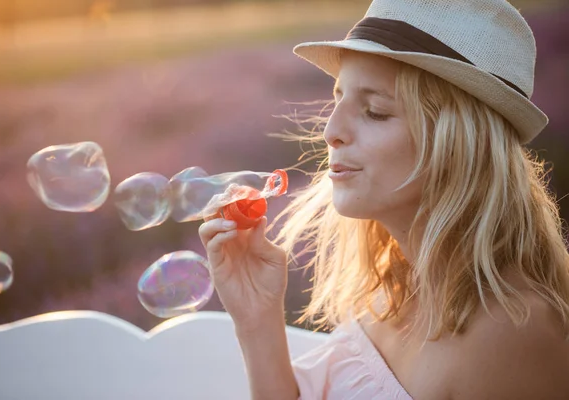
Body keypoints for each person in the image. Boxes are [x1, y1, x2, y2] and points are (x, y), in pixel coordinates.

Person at [198, 0, 569, 398]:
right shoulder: (390, 288)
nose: (331, 131)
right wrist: (257, 321)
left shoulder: (510, 331)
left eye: (374, 111)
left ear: (458, 147)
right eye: (337, 98)